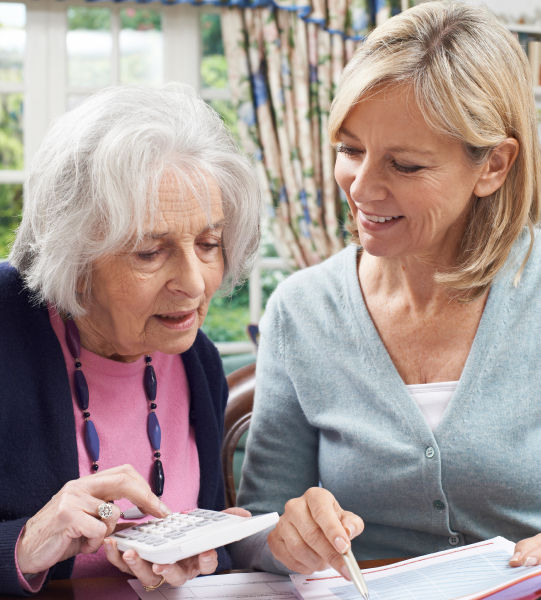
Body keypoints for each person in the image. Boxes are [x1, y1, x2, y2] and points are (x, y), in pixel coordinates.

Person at [231, 0, 541, 582]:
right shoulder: (301, 310)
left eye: (404, 165)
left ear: (493, 166)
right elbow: (257, 526)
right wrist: (286, 535)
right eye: (349, 150)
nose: (362, 188)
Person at [0, 83, 261, 595]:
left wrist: (201, 555)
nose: (193, 282)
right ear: (76, 260)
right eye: (149, 252)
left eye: (208, 243)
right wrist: (27, 543)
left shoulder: (195, 361)